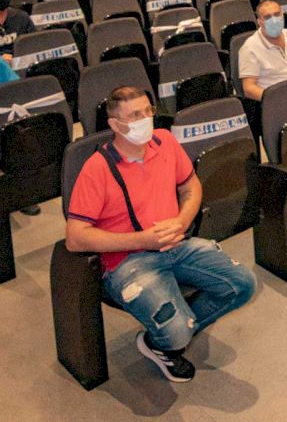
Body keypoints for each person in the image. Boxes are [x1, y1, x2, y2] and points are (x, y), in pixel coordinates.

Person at [65, 86, 257, 382]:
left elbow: (191, 187)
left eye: (147, 111)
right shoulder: (97, 169)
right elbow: (75, 237)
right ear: (115, 125)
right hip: (128, 262)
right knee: (177, 334)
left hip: (176, 244)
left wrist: (181, 221)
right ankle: (164, 340)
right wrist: (142, 240)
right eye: (134, 116)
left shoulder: (165, 141)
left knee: (243, 284)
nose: (145, 119)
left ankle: (179, 326)